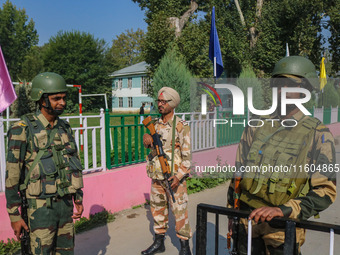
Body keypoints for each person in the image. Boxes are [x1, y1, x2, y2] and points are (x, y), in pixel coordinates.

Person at [227, 56, 337, 255]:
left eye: (290, 85)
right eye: (278, 84)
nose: (281, 90)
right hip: (246, 221)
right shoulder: (257, 124)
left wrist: (284, 210)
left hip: (281, 229)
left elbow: (326, 191)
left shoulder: (318, 134)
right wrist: (231, 212)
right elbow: (239, 171)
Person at [5, 72, 84, 254]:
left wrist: (78, 197)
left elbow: (73, 164)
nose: (62, 103)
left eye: (64, 98)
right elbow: (12, 176)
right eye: (56, 98)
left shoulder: (64, 128)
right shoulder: (21, 130)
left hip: (65, 206)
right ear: (41, 99)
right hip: (39, 210)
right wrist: (14, 215)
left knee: (66, 252)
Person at [142, 87, 192, 255]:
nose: (160, 104)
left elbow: (187, 158)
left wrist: (178, 177)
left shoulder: (181, 126)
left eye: (164, 102)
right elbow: (150, 146)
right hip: (156, 177)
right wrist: (146, 139)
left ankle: (185, 248)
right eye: (159, 101)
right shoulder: (154, 124)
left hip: (173, 178)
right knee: (157, 210)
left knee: (180, 212)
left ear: (173, 104)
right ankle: (159, 242)